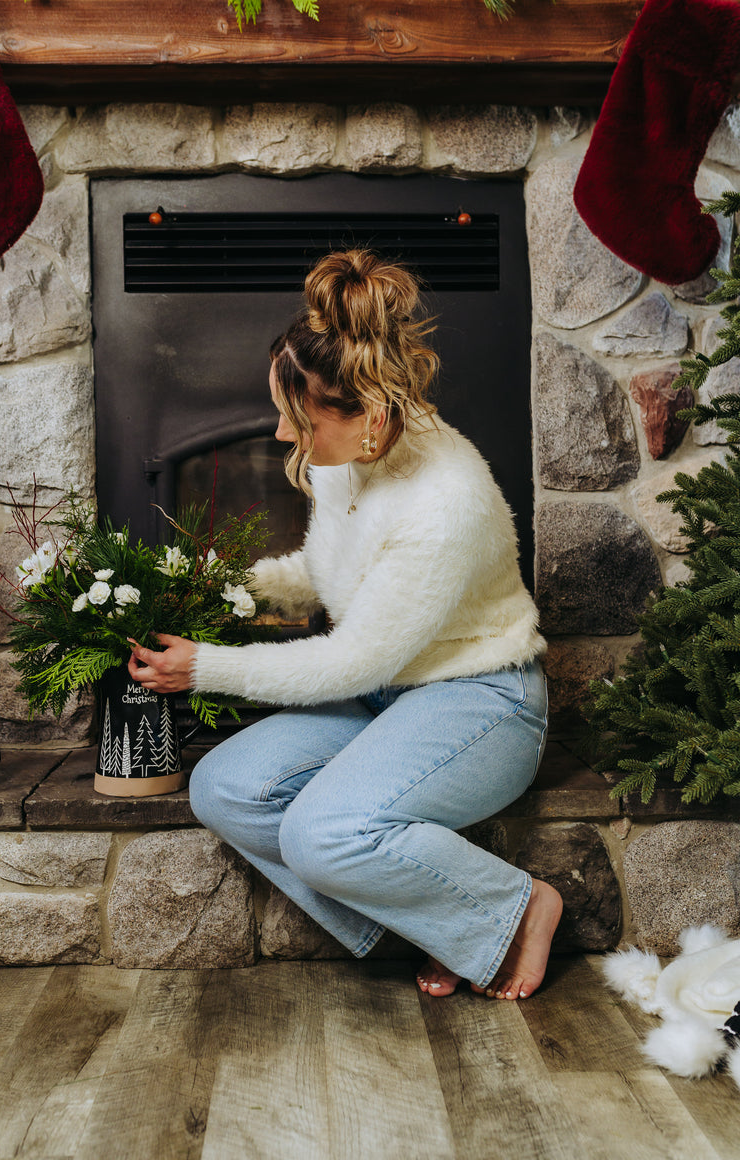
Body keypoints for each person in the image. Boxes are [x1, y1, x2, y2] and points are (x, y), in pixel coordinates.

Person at [127, 248, 563, 1001]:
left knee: (319, 834)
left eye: (297, 419)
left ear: (366, 418)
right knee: (223, 788)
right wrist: (226, 586)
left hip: (478, 701)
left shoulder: (445, 500)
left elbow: (352, 659)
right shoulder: (351, 455)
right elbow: (327, 571)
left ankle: (516, 908)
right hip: (385, 692)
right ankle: (440, 924)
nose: (281, 434)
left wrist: (204, 667)